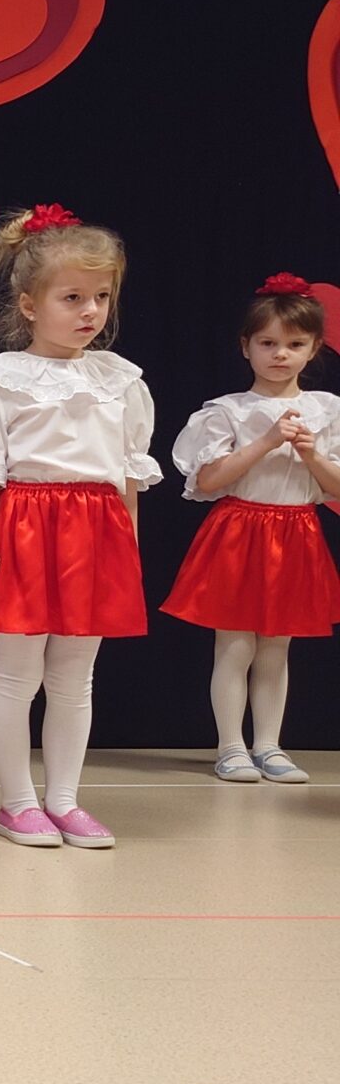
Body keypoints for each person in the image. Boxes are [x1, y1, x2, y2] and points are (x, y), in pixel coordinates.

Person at [0, 205, 153, 849]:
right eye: (72, 298)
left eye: (101, 297)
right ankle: (18, 802)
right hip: (28, 528)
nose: (90, 311)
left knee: (74, 677)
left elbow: (127, 476)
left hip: (98, 533)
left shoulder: (120, 381)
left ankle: (64, 799)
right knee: (17, 674)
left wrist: (128, 546)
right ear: (30, 305)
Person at [161, 273, 340, 784]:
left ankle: (269, 745)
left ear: (314, 349)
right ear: (246, 346)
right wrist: (264, 442)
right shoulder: (228, 411)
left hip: (296, 532)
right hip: (240, 530)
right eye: (267, 343)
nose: (280, 354)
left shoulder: (328, 410)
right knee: (235, 646)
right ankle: (230, 747)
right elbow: (209, 480)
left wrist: (312, 454)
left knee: (277, 647)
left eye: (294, 344)